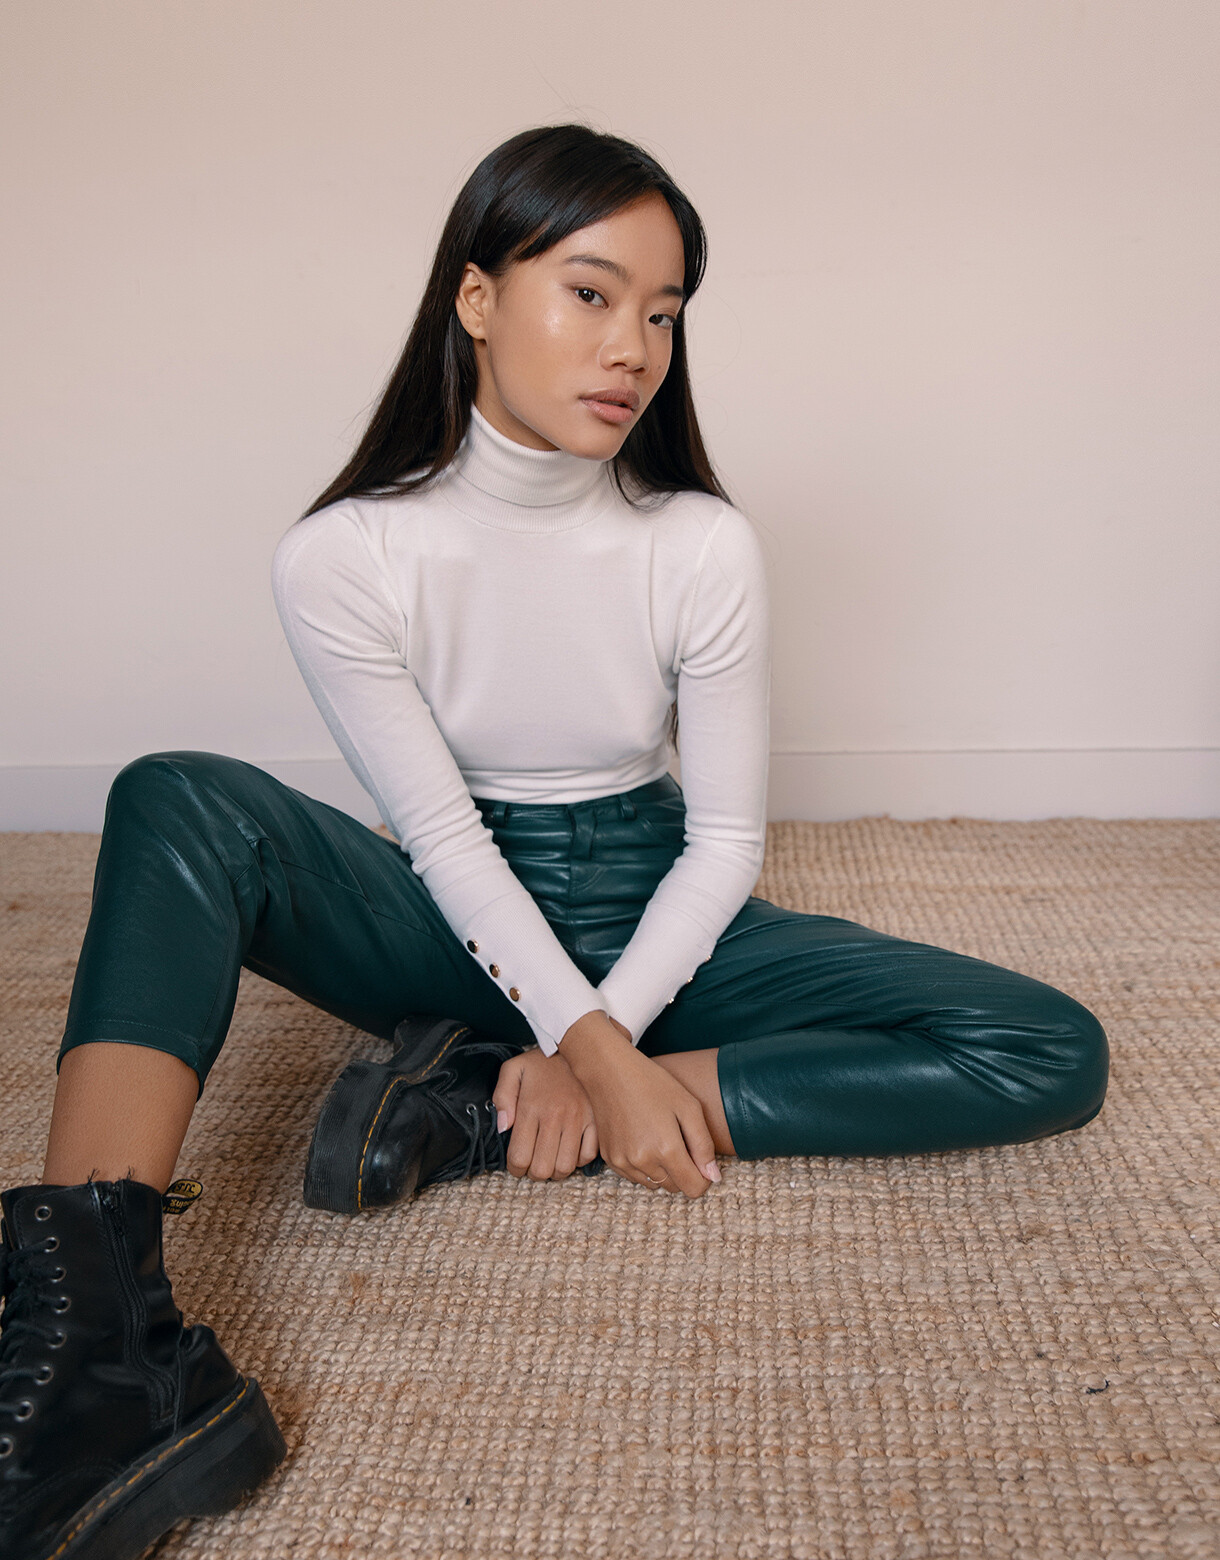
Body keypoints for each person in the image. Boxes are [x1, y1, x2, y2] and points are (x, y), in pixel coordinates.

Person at [0, 123, 1110, 1560]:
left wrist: (613, 1047)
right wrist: (590, 1050)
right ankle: (96, 1335)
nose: (632, 347)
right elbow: (442, 840)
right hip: (449, 915)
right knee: (176, 795)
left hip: (658, 901)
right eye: (590, 293)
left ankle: (471, 1106)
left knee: (1048, 1047)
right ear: (477, 299)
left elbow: (724, 842)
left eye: (663, 312)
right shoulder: (345, 556)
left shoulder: (698, 542)